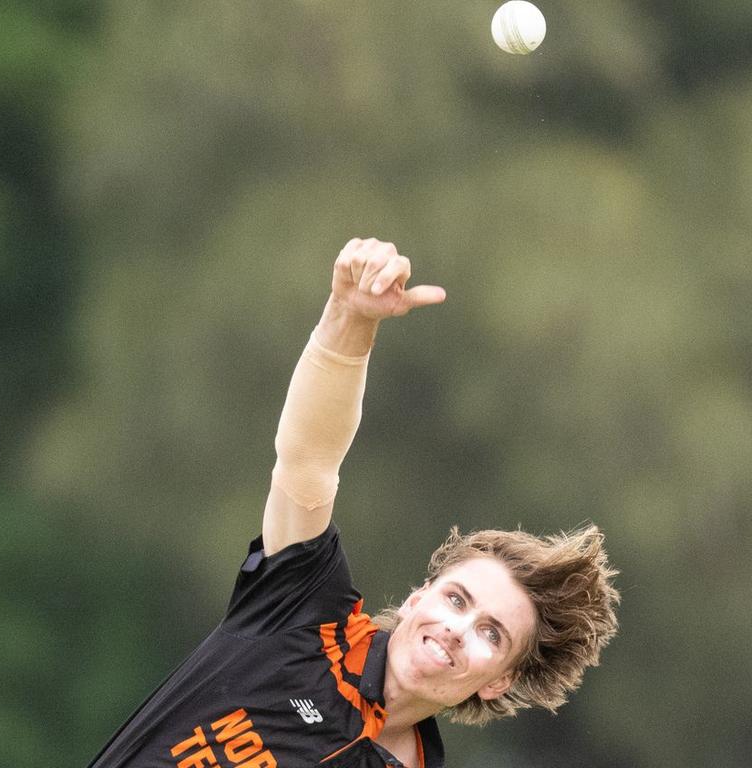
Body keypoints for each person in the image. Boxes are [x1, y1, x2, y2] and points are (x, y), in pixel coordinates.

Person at [87, 238, 620, 768]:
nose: (458, 629)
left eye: (490, 634)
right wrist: (350, 318)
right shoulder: (306, 616)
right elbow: (307, 462)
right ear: (418, 597)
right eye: (457, 599)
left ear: (500, 680)